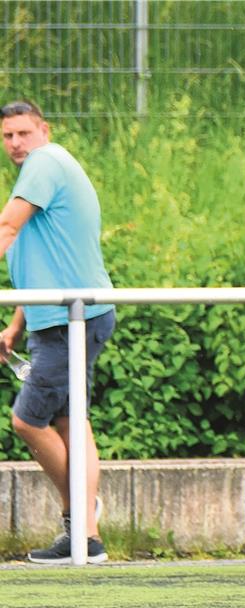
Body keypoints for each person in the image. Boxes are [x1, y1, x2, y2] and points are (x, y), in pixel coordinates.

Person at [0, 99, 116, 564]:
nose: (15, 144)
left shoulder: (46, 162)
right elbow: (41, 262)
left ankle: (82, 516)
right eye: (7, 136)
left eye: (23, 133)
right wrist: (13, 325)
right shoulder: (43, 171)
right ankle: (85, 538)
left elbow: (8, 227)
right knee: (71, 421)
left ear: (43, 130)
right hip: (60, 318)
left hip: (73, 319)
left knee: (27, 421)